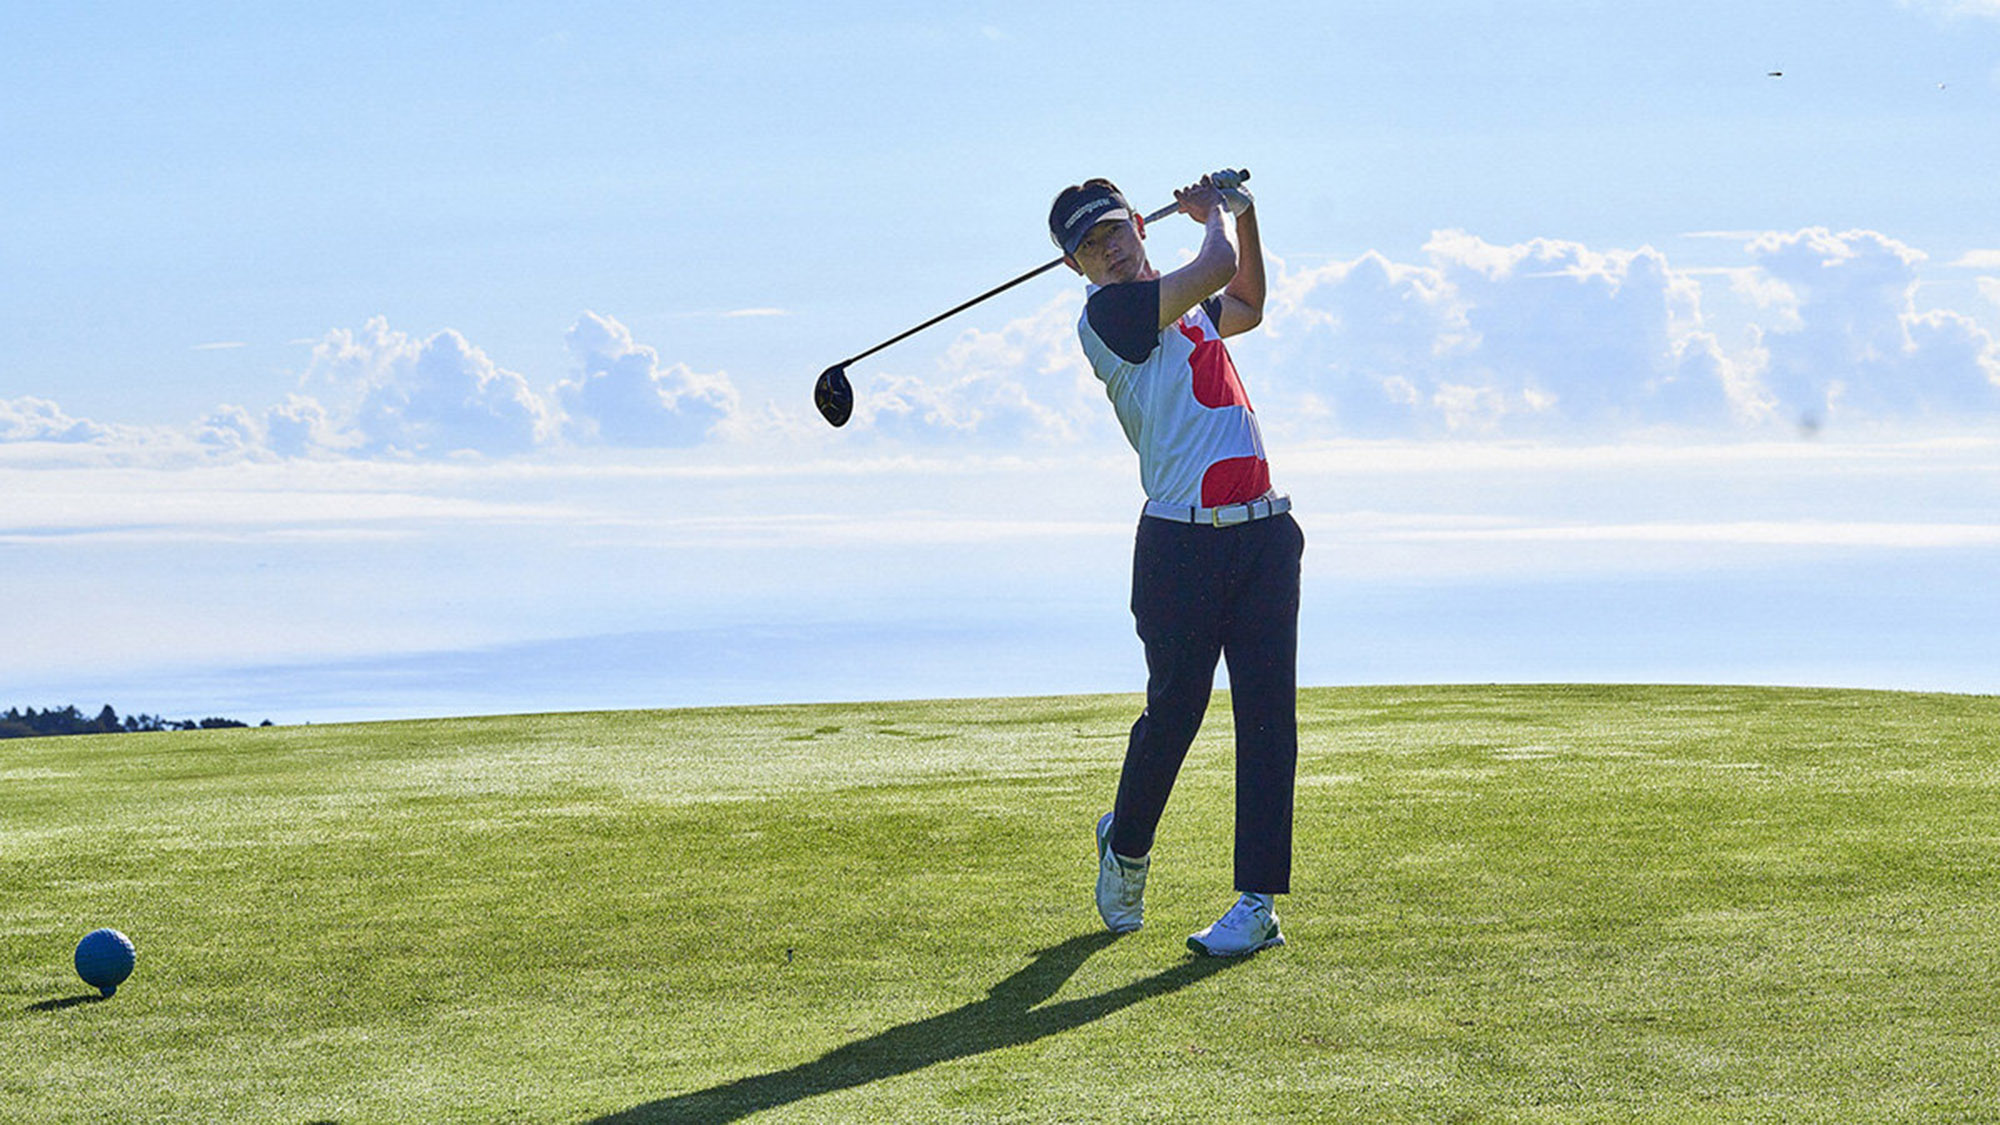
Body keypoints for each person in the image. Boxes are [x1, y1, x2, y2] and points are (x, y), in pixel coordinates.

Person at [1048, 173, 1303, 957]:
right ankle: (1125, 845)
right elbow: (1218, 267)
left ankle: (1256, 903)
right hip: (1179, 547)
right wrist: (1216, 217)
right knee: (1177, 714)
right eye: (1091, 245)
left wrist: (1247, 215)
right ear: (1076, 267)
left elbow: (1249, 302)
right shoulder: (1109, 317)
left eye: (1116, 230)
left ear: (1139, 228)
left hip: (1264, 534)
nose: (1110, 249)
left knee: (1267, 722)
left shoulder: (1183, 309)